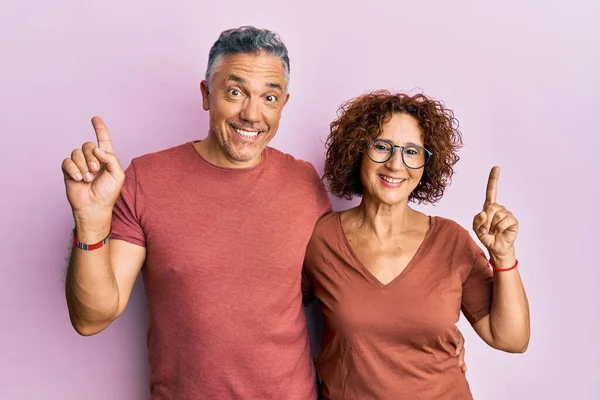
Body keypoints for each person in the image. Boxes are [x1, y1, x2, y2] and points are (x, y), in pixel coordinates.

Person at [60, 26, 466, 399]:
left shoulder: (304, 183)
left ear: (283, 104)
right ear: (206, 94)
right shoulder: (147, 178)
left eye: (269, 97)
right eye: (235, 92)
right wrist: (91, 220)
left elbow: (348, 292)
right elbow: (92, 317)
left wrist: (426, 337)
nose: (252, 115)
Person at [302, 90, 531, 399]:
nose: (396, 164)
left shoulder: (452, 240)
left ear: (425, 163)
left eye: (412, 151)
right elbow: (273, 317)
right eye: (382, 147)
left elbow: (511, 338)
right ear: (357, 151)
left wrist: (503, 255)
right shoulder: (321, 239)